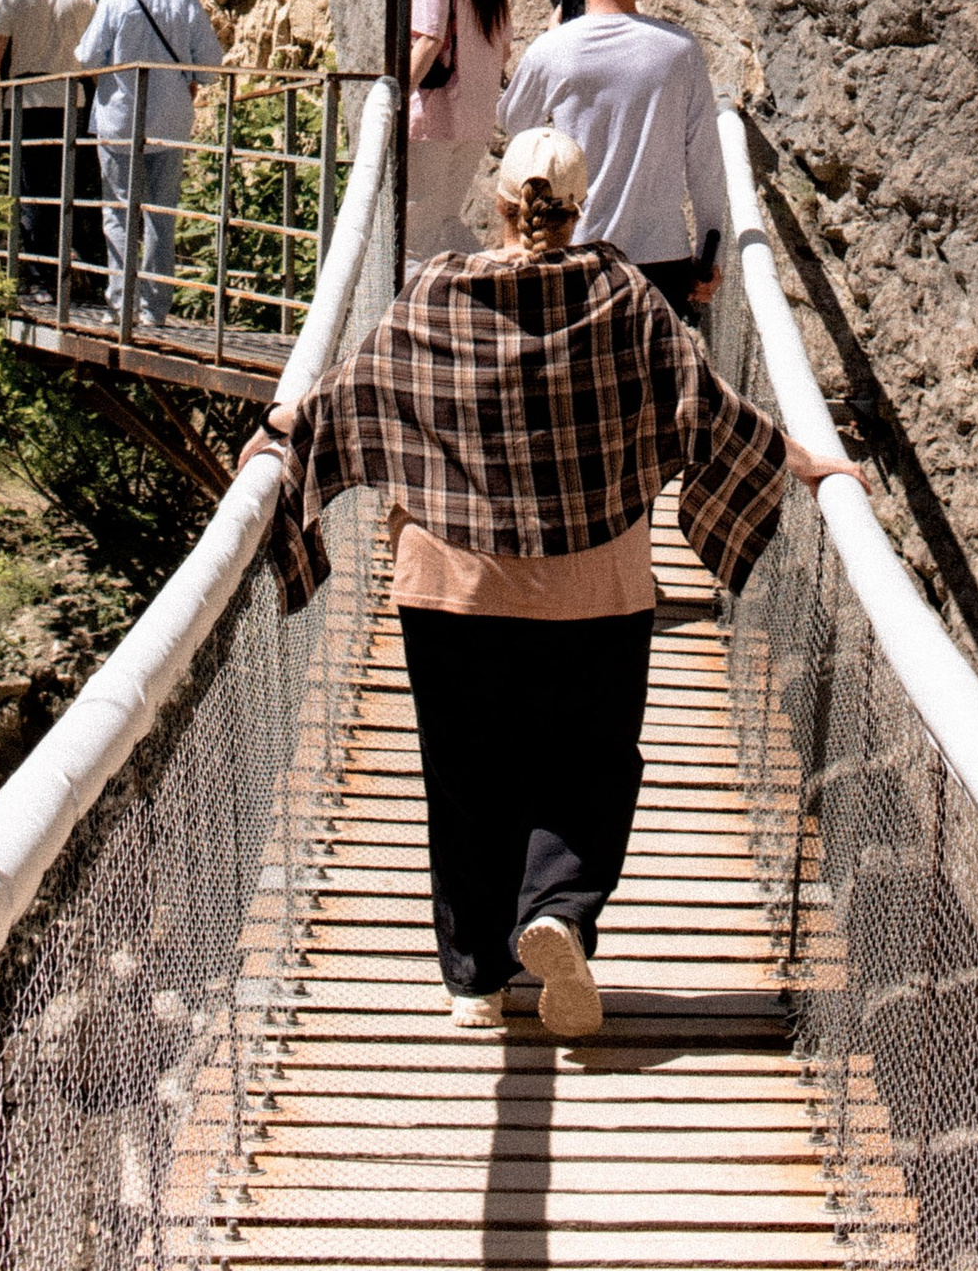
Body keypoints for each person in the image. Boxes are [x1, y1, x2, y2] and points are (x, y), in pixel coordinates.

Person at [241, 127, 858, 1038]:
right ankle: (559, 913)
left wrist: (281, 426)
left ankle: (474, 982)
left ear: (501, 202)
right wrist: (813, 464)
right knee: (589, 765)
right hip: (594, 589)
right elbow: (714, 412)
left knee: (464, 778)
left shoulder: (436, 293)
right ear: (582, 207)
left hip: (452, 587)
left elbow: (355, 390)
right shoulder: (626, 298)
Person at [500, 0, 725, 318]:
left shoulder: (555, 49)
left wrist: (552, 43)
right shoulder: (681, 51)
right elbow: (705, 164)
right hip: (663, 260)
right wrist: (710, 255)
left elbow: (514, 123)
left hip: (576, 253)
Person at [74, 0, 222, 332]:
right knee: (161, 213)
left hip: (120, 120)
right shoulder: (186, 2)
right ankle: (154, 310)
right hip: (171, 121)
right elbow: (211, 65)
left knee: (119, 212)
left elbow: (87, 57)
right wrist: (185, 73)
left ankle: (120, 305)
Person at [405, 0, 511, 275]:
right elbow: (504, 51)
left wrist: (399, 96)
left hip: (436, 117)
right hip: (477, 121)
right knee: (445, 223)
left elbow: (429, 40)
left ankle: (414, 323)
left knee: (414, 234)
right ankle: (493, 281)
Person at [0, 0, 93, 306]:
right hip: (70, 99)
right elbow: (93, 58)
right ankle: (63, 273)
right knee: (64, 188)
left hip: (25, 98)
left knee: (30, 190)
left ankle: (36, 279)